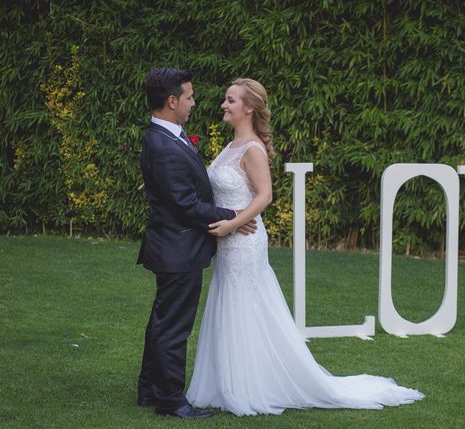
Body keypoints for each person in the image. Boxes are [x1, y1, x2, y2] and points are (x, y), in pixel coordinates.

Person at [186, 78, 424, 416]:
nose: (223, 105)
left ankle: (248, 385)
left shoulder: (252, 148)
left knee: (244, 306)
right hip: (228, 241)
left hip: (243, 241)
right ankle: (229, 381)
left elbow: (265, 196)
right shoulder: (230, 147)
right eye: (226, 100)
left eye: (230, 100)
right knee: (230, 304)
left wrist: (232, 223)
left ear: (249, 108)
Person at [136, 68, 255, 419]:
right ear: (172, 102)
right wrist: (234, 215)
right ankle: (170, 401)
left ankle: (149, 390)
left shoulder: (169, 137)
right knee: (173, 327)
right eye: (189, 96)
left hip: (174, 246)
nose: (193, 102)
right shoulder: (163, 145)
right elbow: (185, 205)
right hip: (178, 248)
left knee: (162, 321)